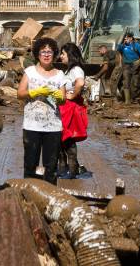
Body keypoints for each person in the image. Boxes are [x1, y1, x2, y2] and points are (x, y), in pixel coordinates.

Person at [17, 38, 66, 184]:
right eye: (43, 51)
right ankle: (29, 197)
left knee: (51, 167)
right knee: (30, 165)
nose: (46, 55)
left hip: (53, 127)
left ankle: (50, 198)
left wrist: (60, 97)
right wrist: (34, 92)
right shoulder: (30, 72)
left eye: (49, 52)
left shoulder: (59, 74)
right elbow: (20, 94)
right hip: (32, 126)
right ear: (38, 54)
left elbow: (63, 99)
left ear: (54, 54)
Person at [58, 43, 88, 179]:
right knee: (61, 139)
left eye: (63, 54)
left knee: (68, 138)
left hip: (70, 108)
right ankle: (65, 168)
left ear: (69, 55)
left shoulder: (76, 69)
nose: (61, 56)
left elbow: (80, 83)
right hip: (66, 107)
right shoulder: (69, 70)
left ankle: (71, 171)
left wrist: (73, 95)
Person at [117, 32, 140, 104]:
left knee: (135, 83)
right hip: (126, 66)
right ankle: (127, 100)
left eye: (126, 38)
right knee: (126, 82)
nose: (125, 39)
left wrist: (138, 61)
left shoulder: (137, 45)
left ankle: (134, 97)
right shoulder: (122, 46)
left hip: (135, 65)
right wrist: (120, 62)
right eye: (125, 38)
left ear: (130, 38)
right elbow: (119, 51)